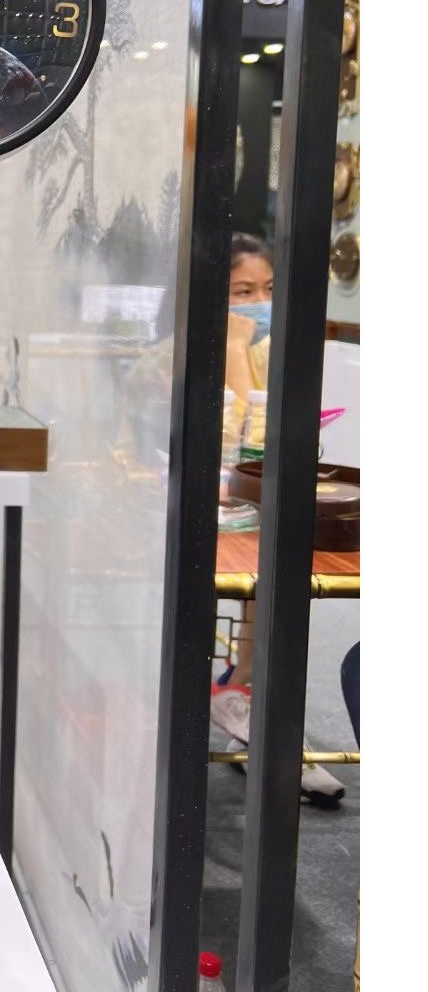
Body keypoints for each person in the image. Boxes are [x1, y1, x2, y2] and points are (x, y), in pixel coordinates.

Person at [209, 232, 345, 804]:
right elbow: (242, 421)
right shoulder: (174, 351)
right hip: (178, 505)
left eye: (269, 288)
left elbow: (270, 437)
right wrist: (234, 345)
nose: (260, 301)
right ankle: (248, 710)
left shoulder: (271, 348)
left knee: (276, 578)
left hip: (251, 505)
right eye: (243, 291)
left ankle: (249, 704)